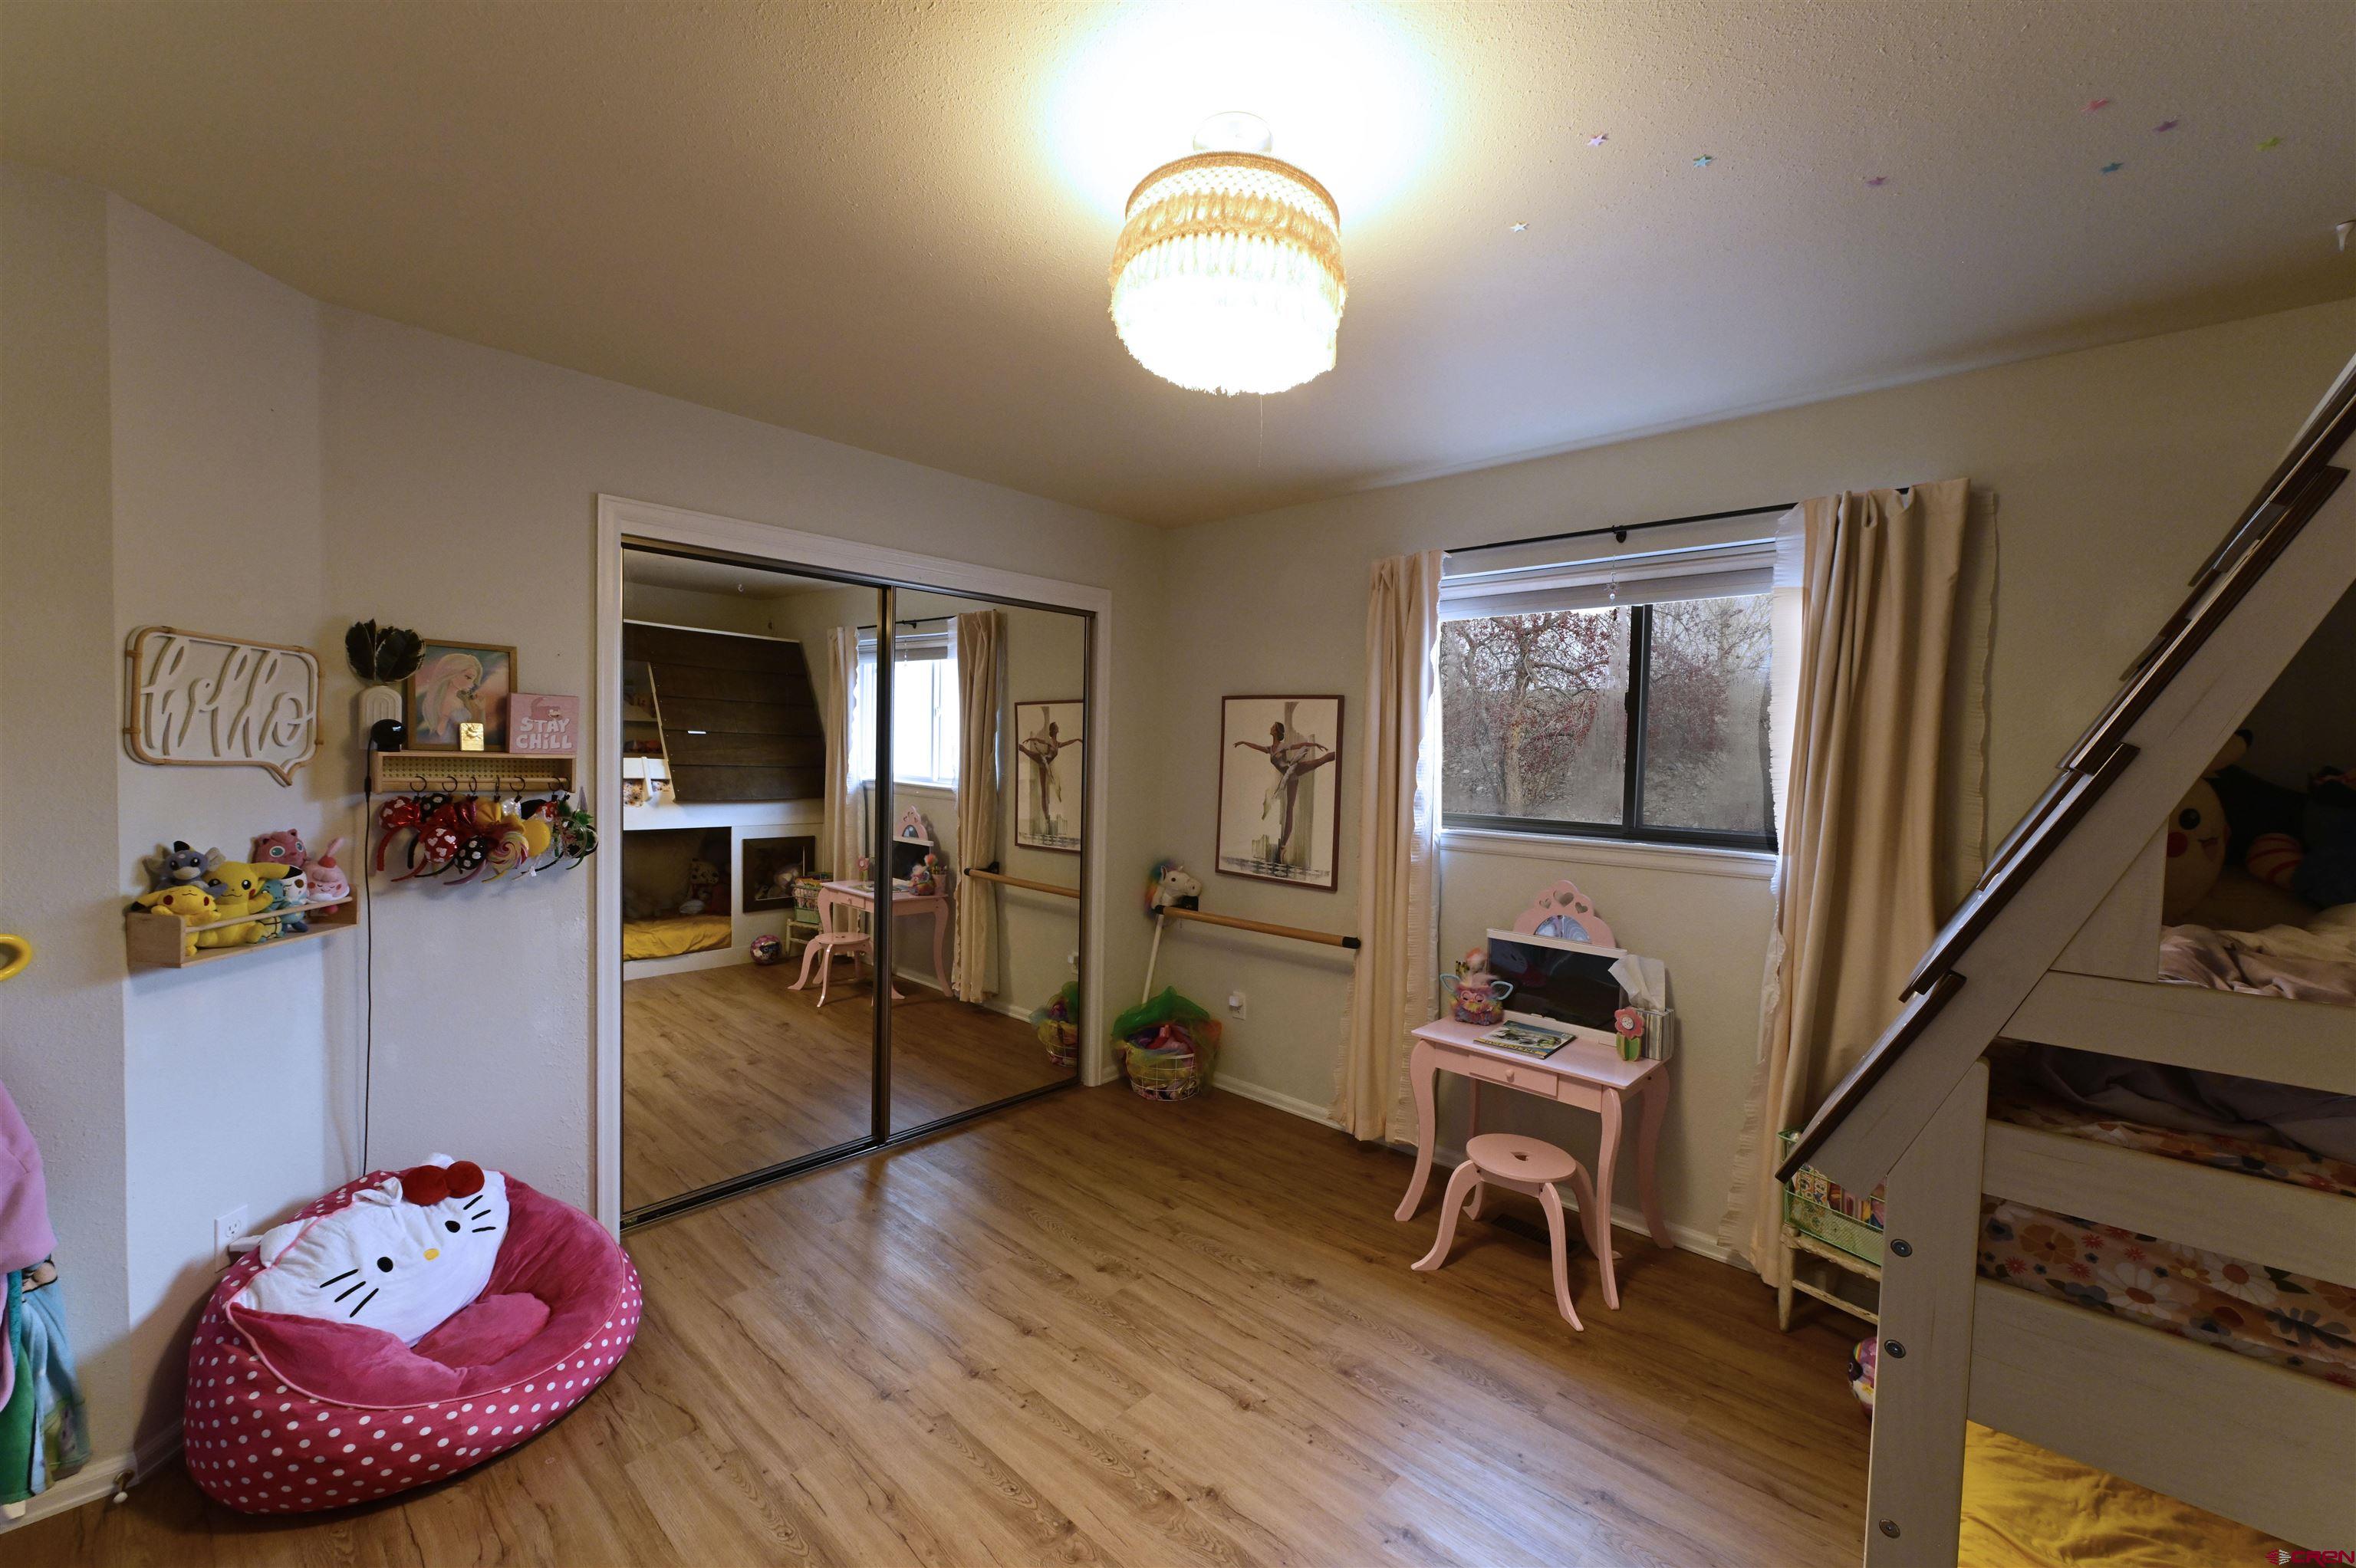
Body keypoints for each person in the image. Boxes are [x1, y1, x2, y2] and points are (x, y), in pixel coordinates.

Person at [1232, 721, 1338, 865]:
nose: (1270, 728)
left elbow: (1300, 746)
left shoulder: (1282, 747)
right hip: (1290, 778)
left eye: (1272, 727)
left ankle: (1340, 753)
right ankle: (1283, 847)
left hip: (1294, 769)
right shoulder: (1270, 749)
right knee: (1290, 810)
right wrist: (1244, 742)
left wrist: (1315, 745)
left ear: (1276, 731)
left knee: (1320, 761)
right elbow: (1257, 747)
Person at [1018, 718, 1081, 836]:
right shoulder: (1050, 742)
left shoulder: (1058, 744)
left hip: (1044, 764)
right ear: (1054, 730)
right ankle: (1046, 818)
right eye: (1057, 726)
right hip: (1042, 760)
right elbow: (1039, 740)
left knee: (1044, 791)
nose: (1058, 728)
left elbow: (1067, 742)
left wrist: (1077, 739)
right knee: (1025, 751)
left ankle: (1046, 818)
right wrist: (1031, 739)